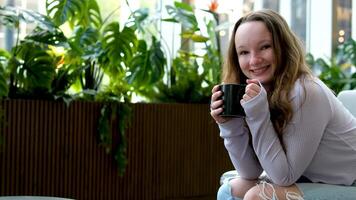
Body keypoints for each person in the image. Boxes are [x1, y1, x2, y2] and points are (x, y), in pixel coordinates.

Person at [210, 9, 356, 200]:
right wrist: (229, 124)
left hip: (350, 183)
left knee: (258, 196)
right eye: (244, 52)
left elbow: (283, 176)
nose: (254, 60)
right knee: (230, 191)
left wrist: (258, 114)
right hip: (312, 179)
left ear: (283, 47)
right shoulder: (263, 91)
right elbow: (250, 172)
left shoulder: (306, 91)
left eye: (265, 47)